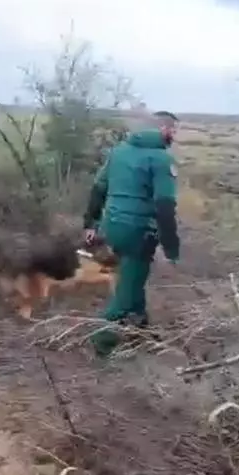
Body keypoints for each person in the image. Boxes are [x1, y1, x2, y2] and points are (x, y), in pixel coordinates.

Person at [82, 110, 181, 357]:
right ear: (162, 129)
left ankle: (141, 329)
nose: (174, 135)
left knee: (133, 277)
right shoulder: (161, 159)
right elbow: (165, 205)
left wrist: (90, 223)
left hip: (112, 227)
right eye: (173, 130)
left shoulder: (118, 152)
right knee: (127, 291)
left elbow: (98, 189)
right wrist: (171, 246)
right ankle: (101, 341)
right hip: (139, 231)